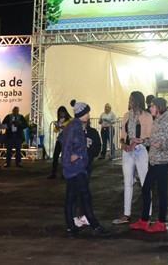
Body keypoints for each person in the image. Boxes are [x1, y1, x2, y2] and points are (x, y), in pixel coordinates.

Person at [61, 100, 107, 238]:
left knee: (72, 197)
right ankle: (94, 225)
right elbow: (66, 145)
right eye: (86, 112)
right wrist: (72, 158)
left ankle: (71, 227)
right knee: (84, 196)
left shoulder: (74, 126)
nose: (88, 115)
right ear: (80, 113)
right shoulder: (74, 127)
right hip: (76, 169)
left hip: (75, 168)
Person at [130, 97, 168, 233]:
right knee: (147, 189)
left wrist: (160, 145)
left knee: (160, 192)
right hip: (155, 161)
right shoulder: (157, 121)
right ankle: (145, 220)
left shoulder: (167, 123)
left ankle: (160, 222)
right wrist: (143, 141)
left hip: (162, 162)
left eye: (152, 106)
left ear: (159, 107)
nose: (150, 108)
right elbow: (154, 140)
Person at [113, 91, 153, 225]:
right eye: (129, 99)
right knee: (127, 182)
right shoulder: (126, 116)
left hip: (141, 150)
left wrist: (136, 142)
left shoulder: (147, 116)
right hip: (127, 151)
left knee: (144, 182)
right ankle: (126, 214)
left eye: (131, 99)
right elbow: (123, 135)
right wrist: (124, 144)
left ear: (138, 101)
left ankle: (148, 214)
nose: (129, 101)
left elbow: (149, 136)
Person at [49, 106, 71, 178]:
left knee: (65, 157)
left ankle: (64, 173)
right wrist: (57, 127)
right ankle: (53, 173)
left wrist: (63, 127)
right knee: (55, 156)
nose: (61, 114)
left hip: (66, 140)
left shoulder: (70, 120)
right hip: (59, 140)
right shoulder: (59, 120)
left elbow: (70, 128)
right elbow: (55, 131)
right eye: (60, 113)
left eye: (62, 112)